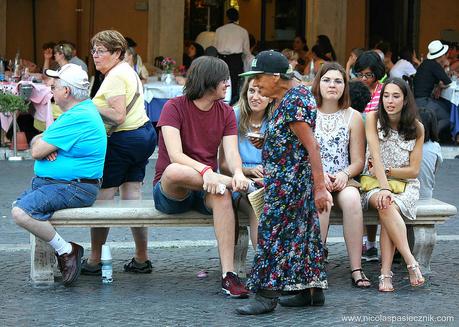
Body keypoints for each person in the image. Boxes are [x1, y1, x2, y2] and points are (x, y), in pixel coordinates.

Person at [236, 50, 332, 315]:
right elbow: (293, 141)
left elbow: (312, 147)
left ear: (276, 77)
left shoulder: (294, 101)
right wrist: (267, 141)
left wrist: (320, 188)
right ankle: (310, 292)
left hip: (291, 185)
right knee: (304, 235)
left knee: (271, 234)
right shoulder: (286, 97)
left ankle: (266, 296)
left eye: (258, 77)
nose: (254, 84)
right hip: (288, 181)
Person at [153, 56, 250, 298]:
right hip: (172, 191)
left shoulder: (226, 112)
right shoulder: (173, 107)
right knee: (174, 171)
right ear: (208, 82)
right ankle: (225, 182)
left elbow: (232, 153)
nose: (228, 84)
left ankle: (229, 275)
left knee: (222, 194)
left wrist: (237, 172)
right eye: (223, 79)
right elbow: (175, 155)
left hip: (208, 187)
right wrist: (208, 171)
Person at [11, 63, 107, 286]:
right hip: (62, 184)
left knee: (21, 212)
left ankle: (67, 251)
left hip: (74, 187)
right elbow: (38, 142)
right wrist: (46, 146)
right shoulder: (77, 112)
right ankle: (62, 252)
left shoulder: (77, 117)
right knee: (22, 207)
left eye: (54, 86)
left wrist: (46, 147)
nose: (51, 90)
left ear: (67, 91)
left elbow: (35, 150)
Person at [81, 30, 157, 276]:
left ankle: (93, 259)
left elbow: (118, 115)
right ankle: (141, 257)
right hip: (143, 134)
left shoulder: (114, 77)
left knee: (104, 197)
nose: (95, 55)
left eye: (101, 51)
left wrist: (91, 104)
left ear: (116, 53)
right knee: (132, 194)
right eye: (93, 50)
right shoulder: (128, 70)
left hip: (124, 139)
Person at [361, 77, 425, 292]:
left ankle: (385, 274)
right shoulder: (372, 118)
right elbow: (375, 157)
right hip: (373, 183)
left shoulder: (417, 128)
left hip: (406, 186)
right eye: (386, 95)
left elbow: (413, 170)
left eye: (396, 96)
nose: (390, 101)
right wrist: (384, 185)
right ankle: (411, 263)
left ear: (405, 100)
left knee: (387, 206)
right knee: (385, 201)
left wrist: (389, 173)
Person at [312, 62, 370, 288]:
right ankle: (315, 267)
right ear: (318, 83)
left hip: (345, 177)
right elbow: (302, 155)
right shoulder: (308, 113)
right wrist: (319, 176)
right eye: (327, 80)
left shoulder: (353, 116)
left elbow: (358, 160)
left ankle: (356, 268)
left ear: (345, 86)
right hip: (316, 178)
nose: (332, 85)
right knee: (323, 201)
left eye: (338, 81)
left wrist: (345, 174)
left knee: (353, 200)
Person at [219, 76, 273, 250]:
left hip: (269, 182)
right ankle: (264, 266)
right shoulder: (233, 115)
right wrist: (247, 171)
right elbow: (224, 165)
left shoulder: (275, 119)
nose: (255, 96)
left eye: (261, 92)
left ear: (271, 96)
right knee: (258, 205)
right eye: (252, 91)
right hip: (238, 181)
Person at [413, 40, 452, 141]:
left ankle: (435, 136)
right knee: (447, 118)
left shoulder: (426, 63)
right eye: (445, 54)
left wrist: (439, 86)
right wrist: (446, 66)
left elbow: (438, 81)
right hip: (423, 102)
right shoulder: (434, 65)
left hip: (417, 100)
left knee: (445, 107)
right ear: (442, 55)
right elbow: (448, 82)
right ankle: (430, 138)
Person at [215, 7, 251, 105]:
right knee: (235, 84)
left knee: (220, 82)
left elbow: (215, 47)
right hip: (236, 60)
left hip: (222, 59)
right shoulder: (243, 31)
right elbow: (246, 51)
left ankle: (220, 103)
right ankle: (233, 105)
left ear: (227, 17)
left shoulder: (219, 30)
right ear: (238, 17)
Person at [418, 107, 443, 199]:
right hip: (426, 193)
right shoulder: (435, 147)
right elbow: (434, 170)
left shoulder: (406, 143)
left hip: (406, 192)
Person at [354, 51, 386, 115]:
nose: (363, 78)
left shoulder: (385, 90)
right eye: (360, 74)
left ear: (377, 72)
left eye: (368, 75)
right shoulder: (354, 90)